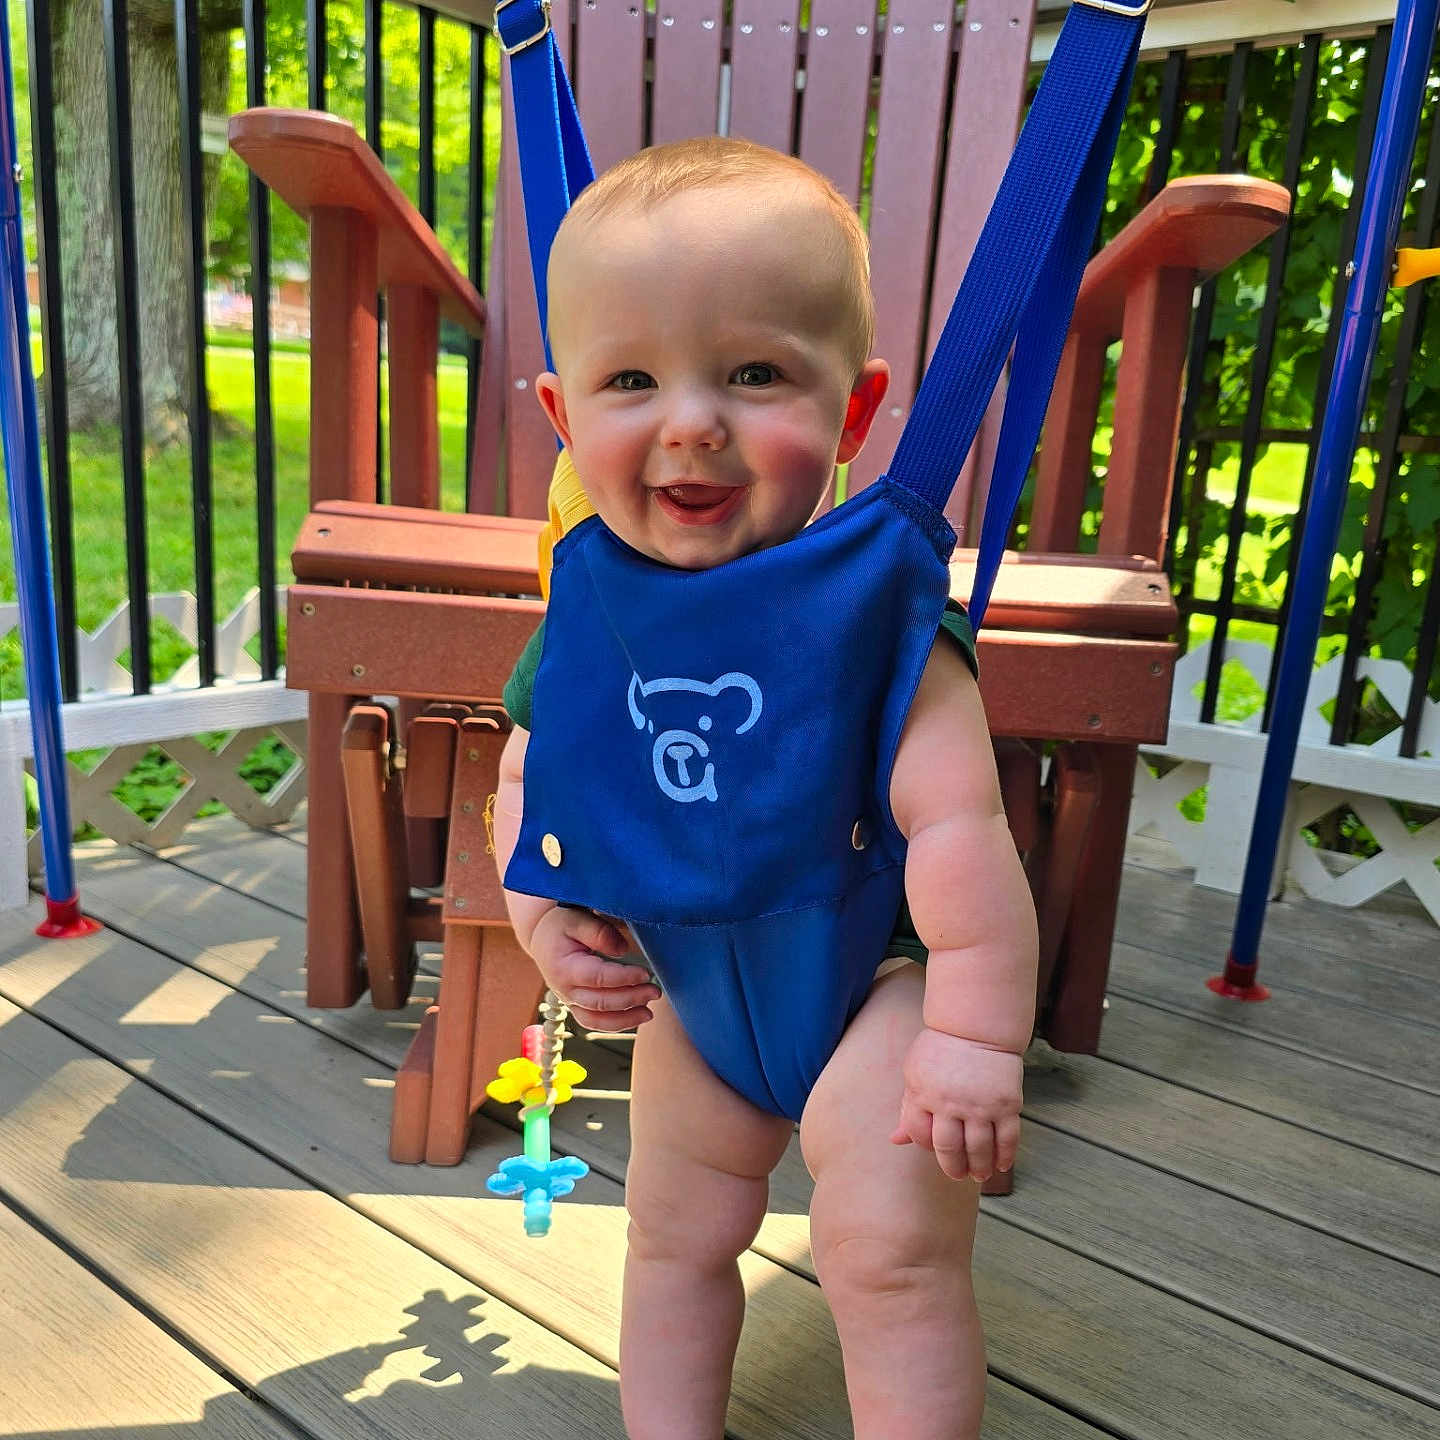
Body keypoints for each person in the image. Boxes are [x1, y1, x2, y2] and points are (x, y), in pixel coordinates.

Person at [490, 136, 1038, 1440]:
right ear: (566, 419)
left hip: (874, 992)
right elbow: (533, 774)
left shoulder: (875, 617)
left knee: (885, 1253)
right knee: (671, 1241)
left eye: (754, 375)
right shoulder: (592, 612)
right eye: (633, 379)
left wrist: (971, 1036)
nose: (691, 419)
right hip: (695, 999)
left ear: (853, 413)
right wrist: (545, 919)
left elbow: (960, 826)